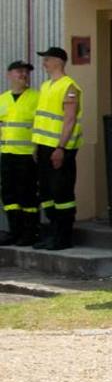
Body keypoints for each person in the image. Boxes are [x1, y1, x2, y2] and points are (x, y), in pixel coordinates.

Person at [30, 47, 82, 251]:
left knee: (62, 193)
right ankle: (51, 234)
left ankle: (63, 237)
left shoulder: (69, 86)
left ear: (59, 62)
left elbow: (69, 120)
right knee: (46, 192)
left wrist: (60, 148)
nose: (44, 63)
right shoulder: (46, 86)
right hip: (44, 146)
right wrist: (37, 145)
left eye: (47, 59)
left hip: (60, 148)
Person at [0, 61, 37, 246]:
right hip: (7, 154)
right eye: (19, 71)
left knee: (27, 194)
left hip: (27, 155)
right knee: (8, 195)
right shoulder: (3, 99)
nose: (23, 74)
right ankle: (14, 232)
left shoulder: (36, 97)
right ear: (9, 74)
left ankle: (29, 233)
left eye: (26, 72)